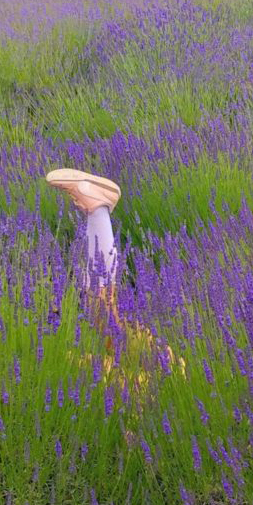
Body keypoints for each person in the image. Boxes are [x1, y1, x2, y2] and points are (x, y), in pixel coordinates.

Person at [44, 168, 184, 394]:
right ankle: (98, 207)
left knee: (105, 324)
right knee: (110, 324)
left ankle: (97, 208)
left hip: (154, 390)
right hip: (159, 387)